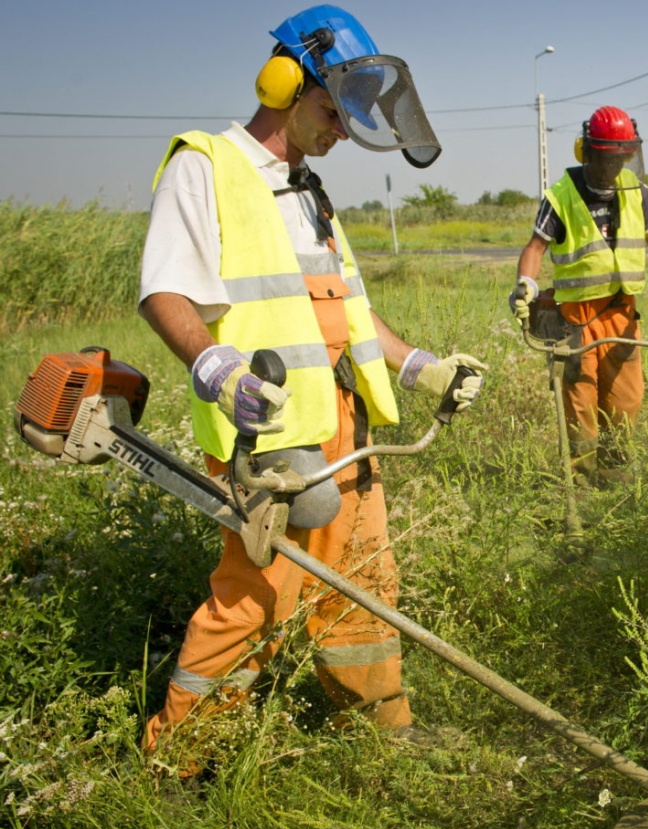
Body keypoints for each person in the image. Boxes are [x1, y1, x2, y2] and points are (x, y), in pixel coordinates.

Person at [137, 4, 484, 764]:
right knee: (257, 600)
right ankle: (176, 761)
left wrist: (420, 366)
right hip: (271, 436)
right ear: (284, 82)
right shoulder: (207, 165)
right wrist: (214, 366)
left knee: (363, 585)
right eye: (333, 111)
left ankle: (380, 737)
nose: (341, 132)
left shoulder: (310, 191)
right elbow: (164, 290)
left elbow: (348, 312)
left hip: (344, 425)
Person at [509, 105, 648, 486]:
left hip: (622, 314)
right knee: (580, 407)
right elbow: (535, 248)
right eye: (607, 157)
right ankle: (583, 489)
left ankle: (616, 484)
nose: (614, 165)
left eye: (622, 156)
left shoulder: (638, 192)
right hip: (574, 319)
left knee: (625, 403)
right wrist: (526, 283)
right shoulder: (562, 195)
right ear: (586, 151)